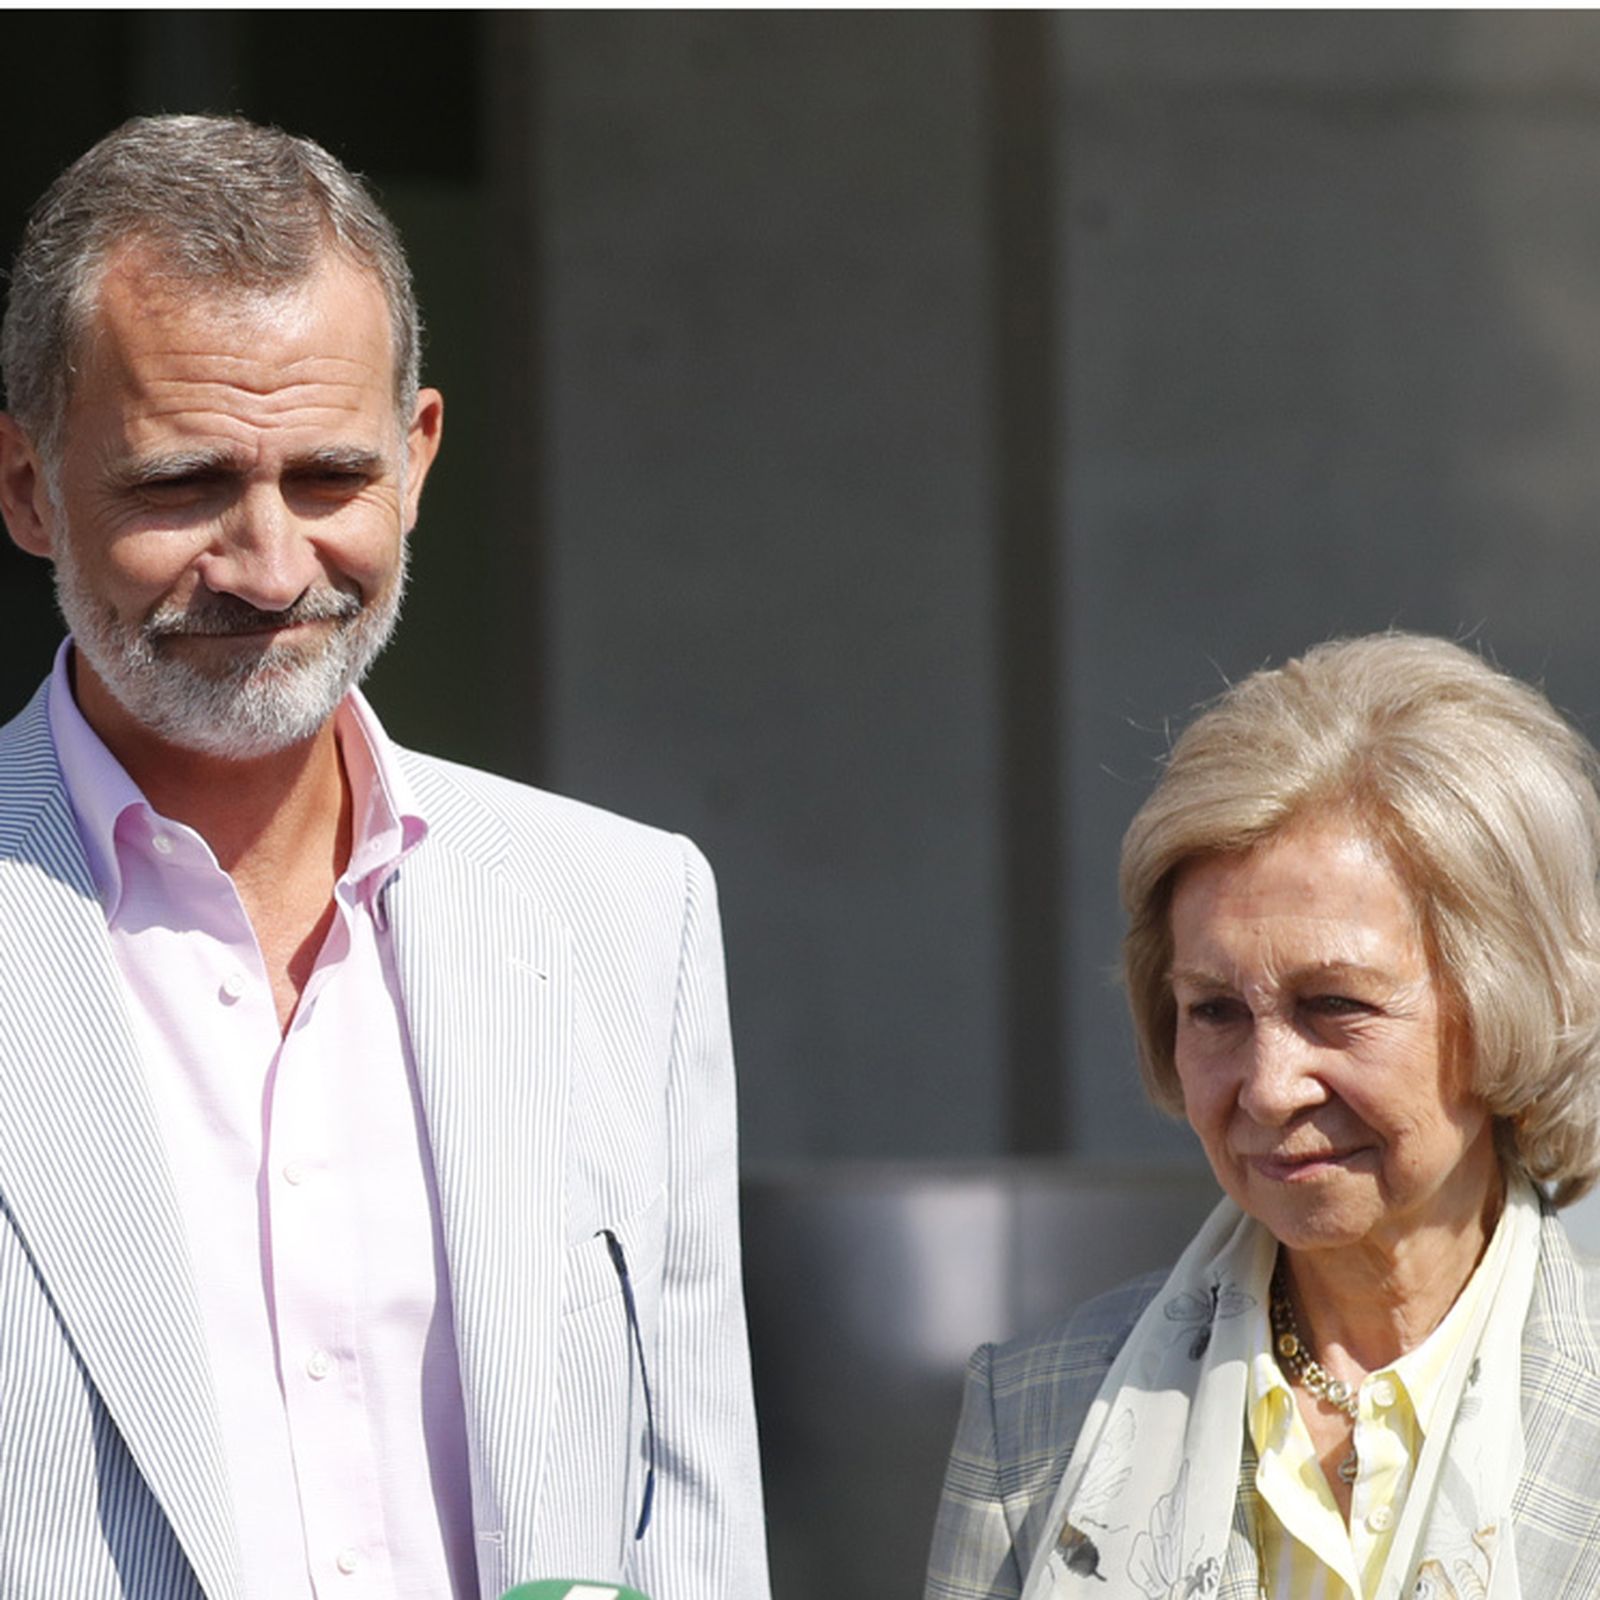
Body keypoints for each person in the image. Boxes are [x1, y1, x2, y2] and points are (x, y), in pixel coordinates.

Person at [0, 114, 769, 1600]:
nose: (272, 564)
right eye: (182, 485)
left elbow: (692, 1522)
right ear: (29, 485)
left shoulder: (627, 915)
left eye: (330, 477)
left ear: (417, 456)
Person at [926, 632, 1600, 1600]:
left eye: (1336, 1005)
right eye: (1214, 1010)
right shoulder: (1034, 1413)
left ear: (1509, 1004)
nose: (1269, 1084)